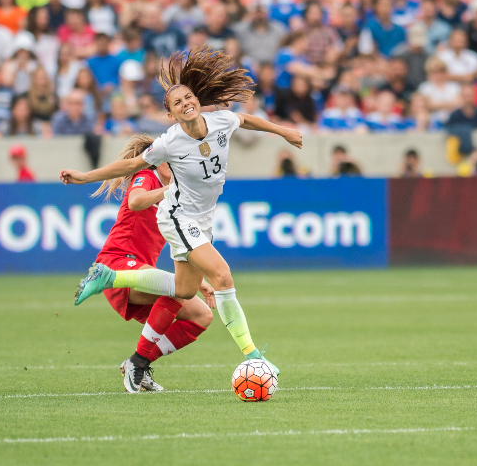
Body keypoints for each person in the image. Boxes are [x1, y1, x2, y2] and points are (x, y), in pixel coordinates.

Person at [60, 47, 303, 380]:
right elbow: (131, 165)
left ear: (197, 100)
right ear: (171, 114)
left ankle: (111, 278)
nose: (186, 103)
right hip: (177, 215)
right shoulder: (169, 142)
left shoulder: (221, 121)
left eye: (188, 97)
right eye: (177, 102)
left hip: (202, 218)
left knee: (184, 290)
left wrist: (283, 131)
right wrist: (84, 177)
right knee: (223, 277)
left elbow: (246, 119)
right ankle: (254, 356)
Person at [73, 135, 215, 392]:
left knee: (201, 315)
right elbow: (135, 201)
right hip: (116, 265)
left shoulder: (174, 198)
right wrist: (169, 190)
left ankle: (140, 362)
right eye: (171, 159)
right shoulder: (147, 176)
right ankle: (137, 363)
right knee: (177, 290)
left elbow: (178, 246)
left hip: (142, 274)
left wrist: (199, 281)